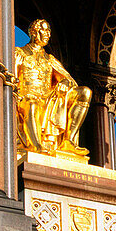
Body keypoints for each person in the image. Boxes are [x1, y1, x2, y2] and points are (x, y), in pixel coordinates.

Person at [15, 19, 92, 159]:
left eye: (49, 31)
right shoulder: (20, 53)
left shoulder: (50, 59)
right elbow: (12, 80)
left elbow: (69, 80)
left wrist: (64, 82)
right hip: (26, 97)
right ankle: (35, 146)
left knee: (85, 93)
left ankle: (68, 141)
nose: (47, 34)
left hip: (48, 97)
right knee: (32, 103)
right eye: (43, 30)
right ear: (33, 32)